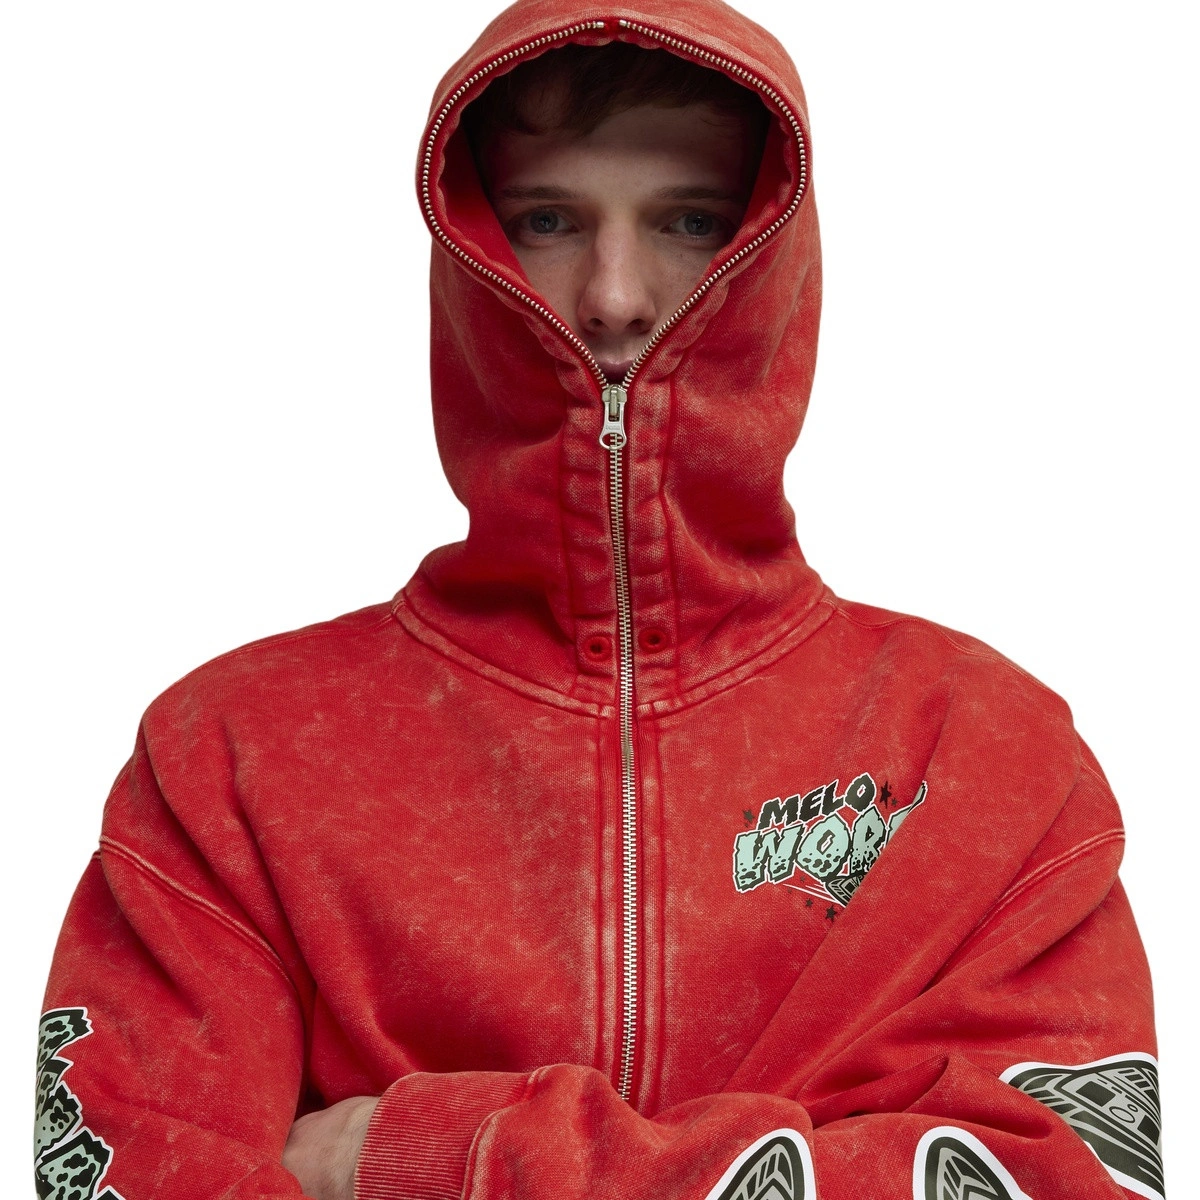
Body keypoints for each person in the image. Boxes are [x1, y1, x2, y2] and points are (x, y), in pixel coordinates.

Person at [35, 2, 1162, 1199]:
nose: (615, 294)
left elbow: (1067, 1178)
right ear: (469, 250)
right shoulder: (229, 759)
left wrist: (435, 1156)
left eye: (689, 220)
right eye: (548, 220)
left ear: (776, 257)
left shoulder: (986, 756)